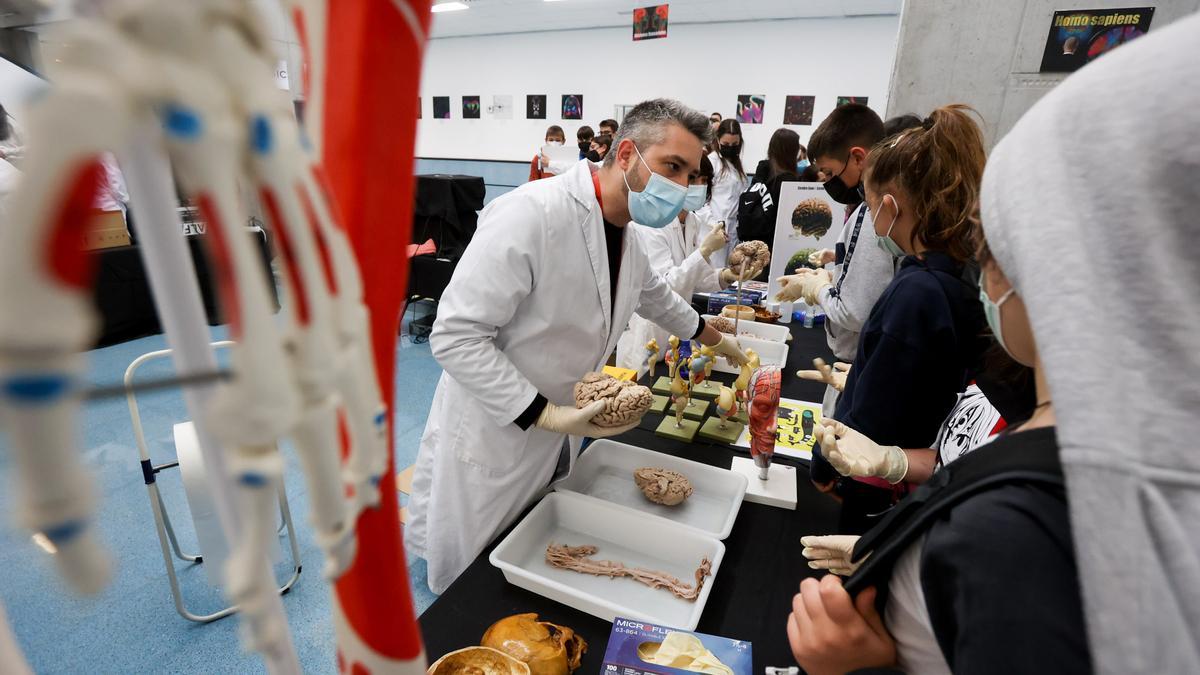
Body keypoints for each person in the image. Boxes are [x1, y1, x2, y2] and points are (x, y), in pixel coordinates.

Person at [408, 99, 752, 594]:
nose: (680, 187)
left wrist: (714, 338)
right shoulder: (531, 214)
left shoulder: (624, 232)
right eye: (671, 166)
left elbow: (652, 294)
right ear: (628, 153)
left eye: (691, 174)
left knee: (531, 551)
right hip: (499, 421)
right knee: (475, 579)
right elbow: (456, 335)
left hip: (560, 420)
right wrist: (541, 413)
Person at [807, 105, 991, 535]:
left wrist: (824, 463)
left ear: (888, 206)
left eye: (871, 208)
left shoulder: (919, 292)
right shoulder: (944, 272)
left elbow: (877, 409)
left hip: (881, 477)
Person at [776, 103, 895, 419]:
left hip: (859, 366)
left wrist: (818, 289)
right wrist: (831, 269)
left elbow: (855, 311)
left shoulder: (875, 216)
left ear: (858, 157)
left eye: (830, 172)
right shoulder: (863, 209)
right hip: (855, 364)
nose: (826, 180)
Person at [616, 154, 738, 374]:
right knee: (643, 389)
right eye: (694, 179)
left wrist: (726, 276)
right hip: (647, 330)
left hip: (677, 330)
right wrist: (705, 251)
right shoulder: (652, 223)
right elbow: (665, 286)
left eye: (704, 180)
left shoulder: (692, 220)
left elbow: (695, 279)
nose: (700, 186)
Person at [738, 128, 802, 250]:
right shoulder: (789, 181)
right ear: (791, 151)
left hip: (755, 241)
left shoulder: (763, 172)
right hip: (775, 244)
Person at [706, 118, 748, 266]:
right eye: (726, 144)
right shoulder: (712, 162)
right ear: (717, 140)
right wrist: (714, 224)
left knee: (728, 276)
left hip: (733, 230)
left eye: (735, 144)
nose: (730, 148)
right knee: (712, 275)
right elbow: (701, 202)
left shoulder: (737, 165)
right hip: (714, 228)